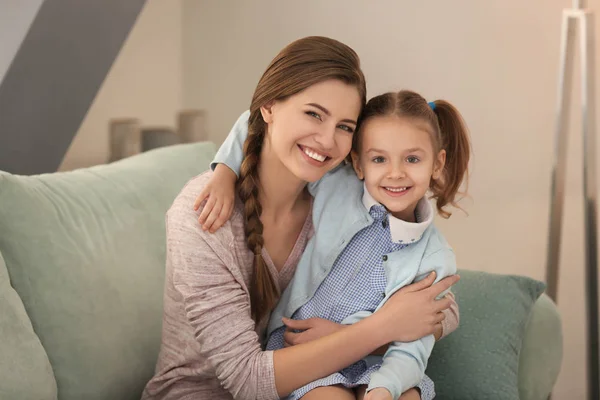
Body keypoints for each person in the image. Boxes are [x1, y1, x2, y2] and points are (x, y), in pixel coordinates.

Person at [142, 36, 459, 400]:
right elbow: (248, 381)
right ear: (269, 108)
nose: (326, 140)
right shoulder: (202, 216)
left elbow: (439, 306)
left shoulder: (339, 193)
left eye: (345, 126)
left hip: (298, 384)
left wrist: (387, 330)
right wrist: (380, 328)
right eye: (313, 114)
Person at [199, 90, 469, 400]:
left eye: (412, 158)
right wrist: (224, 170)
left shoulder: (435, 257)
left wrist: (383, 390)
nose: (396, 173)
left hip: (378, 365)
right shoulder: (336, 187)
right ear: (358, 163)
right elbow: (257, 123)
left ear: (437, 163)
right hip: (305, 352)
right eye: (379, 158)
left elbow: (413, 343)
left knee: (406, 396)